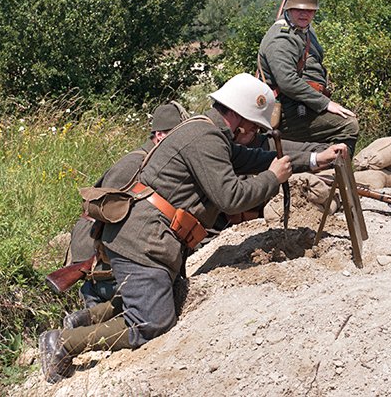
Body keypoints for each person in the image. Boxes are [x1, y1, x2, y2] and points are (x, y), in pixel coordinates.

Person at [39, 73, 347, 383]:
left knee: (162, 296)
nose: (255, 133)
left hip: (142, 237)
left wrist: (312, 158)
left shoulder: (207, 131)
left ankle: (82, 319)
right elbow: (231, 198)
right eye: (254, 126)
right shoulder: (208, 138)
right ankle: (63, 344)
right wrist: (272, 179)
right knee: (152, 321)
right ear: (238, 118)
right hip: (143, 241)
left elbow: (257, 158)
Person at [63, 101, 189, 317]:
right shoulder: (135, 164)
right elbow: (101, 212)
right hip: (95, 255)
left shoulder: (153, 161)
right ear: (159, 136)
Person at [257, 0, 359, 155]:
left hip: (303, 104)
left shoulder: (304, 30)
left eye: (310, 10)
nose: (304, 14)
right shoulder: (281, 39)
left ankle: (322, 165)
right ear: (288, 9)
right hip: (287, 111)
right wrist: (325, 104)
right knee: (348, 124)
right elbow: (287, 81)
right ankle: (334, 171)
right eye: (298, 9)